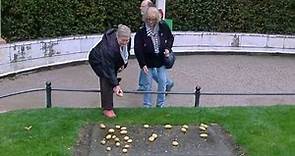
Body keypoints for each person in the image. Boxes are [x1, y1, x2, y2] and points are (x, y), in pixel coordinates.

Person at [134, 7, 174, 108]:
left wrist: (168, 49)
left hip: (161, 60)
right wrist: (142, 64)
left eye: (153, 20)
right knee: (147, 84)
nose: (151, 22)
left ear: (157, 19)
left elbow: (170, 37)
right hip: (148, 61)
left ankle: (160, 104)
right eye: (148, 19)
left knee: (162, 81)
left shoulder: (163, 26)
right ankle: (147, 105)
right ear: (145, 19)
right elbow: (138, 49)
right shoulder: (141, 32)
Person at [88, 24, 131, 118]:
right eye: (123, 40)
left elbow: (125, 52)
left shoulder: (126, 39)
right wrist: (116, 85)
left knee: (111, 77)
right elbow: (108, 69)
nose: (125, 42)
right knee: (106, 79)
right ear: (117, 37)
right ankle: (107, 109)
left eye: (127, 40)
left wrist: (123, 64)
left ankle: (112, 90)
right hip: (97, 60)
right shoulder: (109, 48)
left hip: (111, 59)